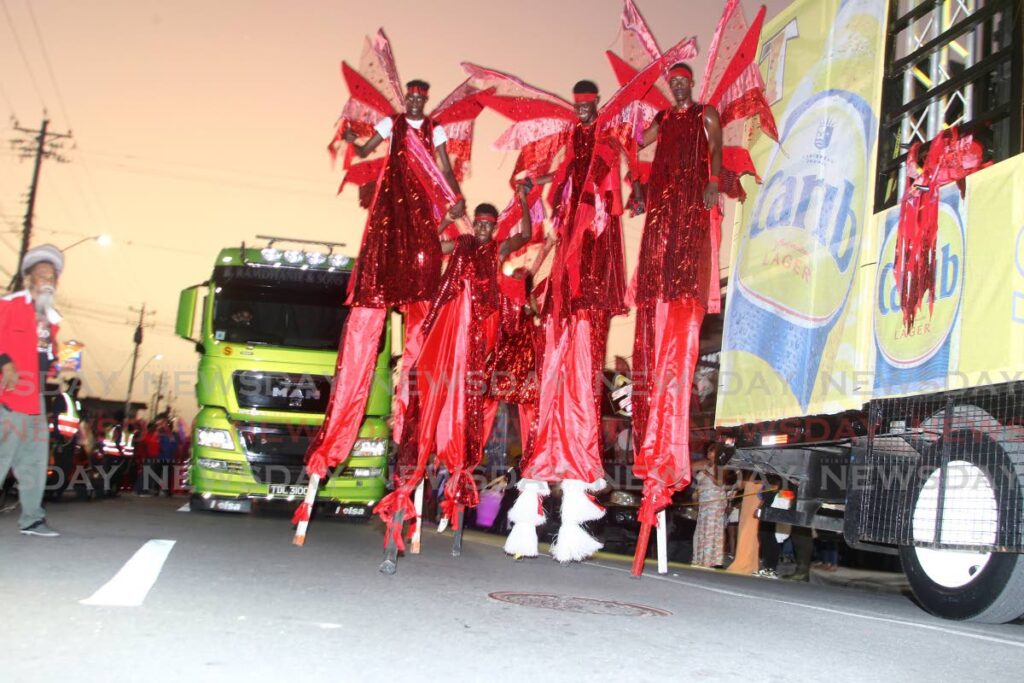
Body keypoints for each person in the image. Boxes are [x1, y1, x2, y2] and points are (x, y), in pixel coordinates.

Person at [302, 78, 468, 505]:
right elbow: (364, 150)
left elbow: (446, 168)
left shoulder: (436, 130)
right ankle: (332, 444)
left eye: (420, 96)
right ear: (405, 97)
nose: (414, 100)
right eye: (410, 95)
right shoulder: (392, 124)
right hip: (389, 214)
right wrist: (352, 139)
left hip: (422, 215)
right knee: (369, 308)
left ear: (426, 99)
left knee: (419, 323)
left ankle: (411, 450)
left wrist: (455, 198)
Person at [375, 190, 532, 546]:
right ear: (472, 223)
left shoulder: (497, 250)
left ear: (494, 229)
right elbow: (430, 248)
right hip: (451, 329)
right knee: (435, 389)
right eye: (477, 223)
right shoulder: (460, 243)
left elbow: (524, 236)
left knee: (472, 403)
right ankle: (414, 477)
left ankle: (457, 475)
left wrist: (523, 200)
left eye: (488, 225)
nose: (481, 229)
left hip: (479, 333)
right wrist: (447, 219)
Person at [629, 62, 723, 571]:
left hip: (689, 207)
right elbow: (636, 141)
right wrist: (627, 125)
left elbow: (717, 140)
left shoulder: (706, 113)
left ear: (694, 84)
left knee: (680, 317)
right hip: (662, 213)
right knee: (655, 303)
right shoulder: (664, 119)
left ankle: (667, 459)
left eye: (685, 80)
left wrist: (712, 180)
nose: (680, 86)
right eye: (675, 82)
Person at [0, 244, 65, 537]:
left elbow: (46, 360)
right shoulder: (10, 305)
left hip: (34, 397)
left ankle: (32, 519)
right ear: (29, 279)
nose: (47, 280)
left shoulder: (50, 321)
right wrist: (5, 363)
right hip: (9, 391)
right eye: (41, 275)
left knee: (34, 460)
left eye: (52, 276)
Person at [690, 445, 729, 568]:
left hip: (715, 504)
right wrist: (695, 495)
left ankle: (710, 560)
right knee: (700, 530)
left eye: (712, 452)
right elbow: (698, 485)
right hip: (704, 503)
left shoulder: (722, 468)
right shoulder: (705, 467)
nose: (710, 454)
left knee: (711, 531)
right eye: (709, 452)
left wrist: (707, 473)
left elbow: (720, 483)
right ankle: (698, 558)